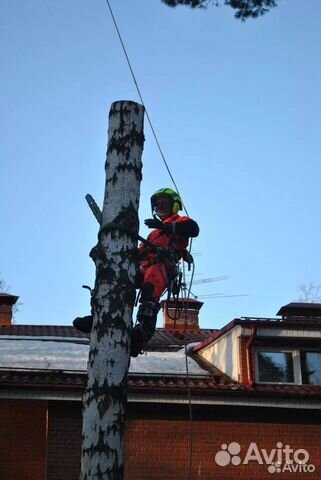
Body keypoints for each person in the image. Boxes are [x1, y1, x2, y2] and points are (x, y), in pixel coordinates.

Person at [73, 188, 199, 357]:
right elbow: (140, 252)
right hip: (142, 266)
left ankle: (141, 333)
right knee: (116, 280)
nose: (160, 206)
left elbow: (193, 228)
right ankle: (100, 315)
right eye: (158, 204)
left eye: (164, 203)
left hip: (162, 265)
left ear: (175, 205)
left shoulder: (179, 221)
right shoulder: (154, 233)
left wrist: (168, 226)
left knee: (149, 289)